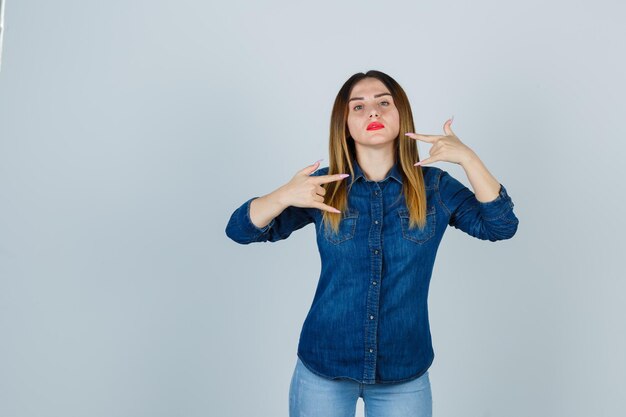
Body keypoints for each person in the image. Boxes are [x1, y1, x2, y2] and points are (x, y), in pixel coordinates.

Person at [225, 70, 519, 417]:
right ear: (345, 125)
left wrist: (469, 158)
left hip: (403, 370)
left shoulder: (436, 187)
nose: (373, 112)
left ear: (401, 115)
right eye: (358, 107)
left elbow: (500, 226)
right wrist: (283, 195)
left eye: (383, 103)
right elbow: (241, 230)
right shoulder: (324, 185)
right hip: (324, 363)